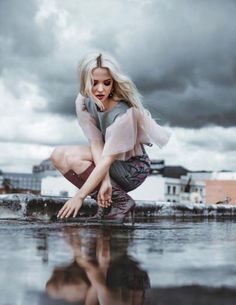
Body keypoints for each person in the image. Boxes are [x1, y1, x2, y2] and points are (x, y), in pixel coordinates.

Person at [51, 52, 171, 222]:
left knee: (72, 157)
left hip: (132, 168)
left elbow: (107, 159)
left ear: (113, 83)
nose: (100, 89)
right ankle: (107, 205)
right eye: (94, 83)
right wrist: (104, 180)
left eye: (106, 83)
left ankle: (121, 201)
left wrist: (79, 196)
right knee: (58, 155)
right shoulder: (84, 102)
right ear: (85, 81)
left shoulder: (123, 114)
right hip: (108, 161)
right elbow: (96, 143)